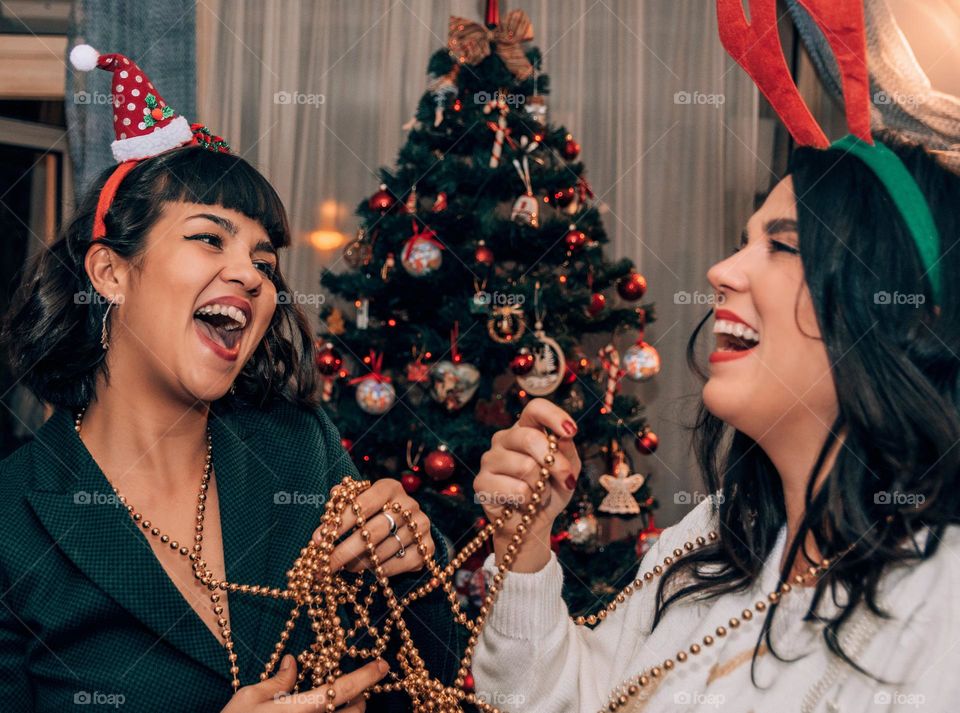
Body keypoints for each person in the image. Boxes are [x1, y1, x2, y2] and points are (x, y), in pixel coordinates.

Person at [0, 45, 456, 713]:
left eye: (263, 259)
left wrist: (415, 555)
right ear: (111, 273)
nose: (251, 275)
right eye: (210, 239)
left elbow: (415, 678)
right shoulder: (13, 519)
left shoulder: (297, 449)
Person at [471, 130, 960, 712]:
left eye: (783, 246)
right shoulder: (713, 538)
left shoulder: (941, 601)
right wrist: (522, 550)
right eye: (742, 242)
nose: (721, 269)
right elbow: (573, 700)